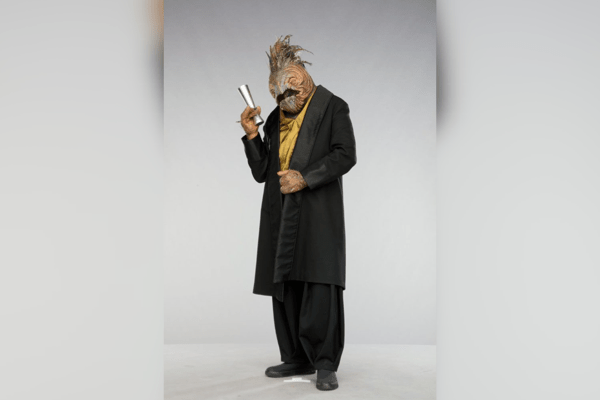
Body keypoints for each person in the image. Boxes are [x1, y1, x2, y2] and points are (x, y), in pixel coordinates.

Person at [239, 35, 357, 391]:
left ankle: (324, 363)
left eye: (292, 89)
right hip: (280, 212)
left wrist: (305, 178)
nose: (286, 99)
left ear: (304, 78)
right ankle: (295, 356)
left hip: (318, 211)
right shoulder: (277, 116)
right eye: (278, 94)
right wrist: (252, 136)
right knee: (286, 285)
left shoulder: (333, 107)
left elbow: (345, 155)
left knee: (319, 284)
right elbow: (263, 172)